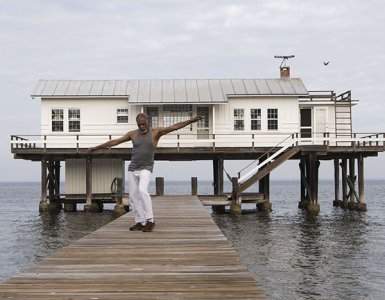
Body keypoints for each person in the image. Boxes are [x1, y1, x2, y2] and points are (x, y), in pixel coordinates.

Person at [89, 113, 202, 232]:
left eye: (144, 124)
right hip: (133, 168)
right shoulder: (132, 134)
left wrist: (191, 120)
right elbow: (115, 142)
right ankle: (140, 221)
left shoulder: (155, 132)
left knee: (142, 191)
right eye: (139, 125)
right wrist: (96, 148)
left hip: (146, 168)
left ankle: (150, 220)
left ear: (148, 122)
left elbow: (175, 126)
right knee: (133, 197)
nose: (142, 126)